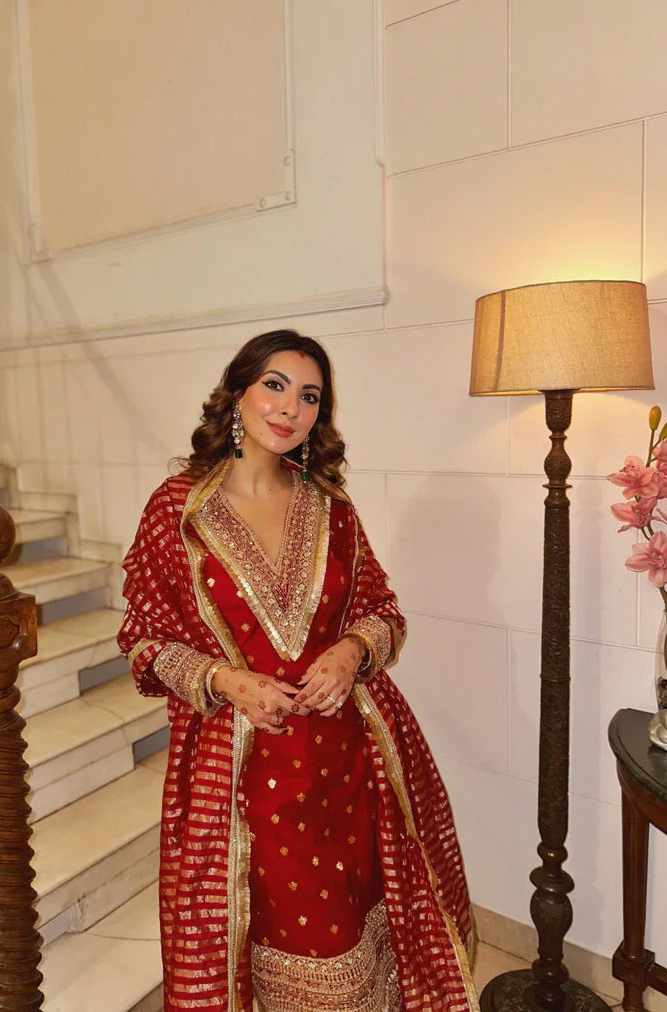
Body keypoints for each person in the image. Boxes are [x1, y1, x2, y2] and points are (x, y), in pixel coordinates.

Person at [118, 329, 477, 1012]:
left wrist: (352, 651)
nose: (290, 408)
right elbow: (142, 640)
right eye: (275, 386)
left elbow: (382, 610)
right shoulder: (179, 510)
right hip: (242, 770)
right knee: (275, 938)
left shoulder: (331, 506)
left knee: (358, 927)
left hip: (351, 759)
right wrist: (227, 681)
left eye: (309, 396)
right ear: (237, 394)